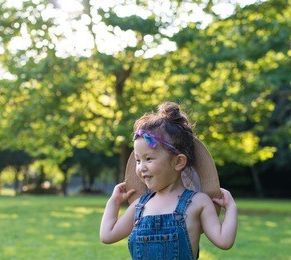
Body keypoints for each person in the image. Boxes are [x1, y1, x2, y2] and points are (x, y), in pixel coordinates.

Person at [100, 101, 238, 260]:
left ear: (178, 162)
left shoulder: (198, 202)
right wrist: (114, 202)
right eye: (138, 161)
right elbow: (107, 235)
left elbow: (224, 241)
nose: (141, 167)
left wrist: (231, 207)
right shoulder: (140, 205)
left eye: (149, 159)